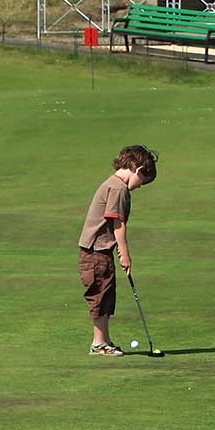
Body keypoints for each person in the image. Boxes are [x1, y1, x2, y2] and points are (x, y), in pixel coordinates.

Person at [77, 144, 159, 356]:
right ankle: (98, 344)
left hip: (99, 252)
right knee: (99, 296)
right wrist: (125, 254)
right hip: (95, 252)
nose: (139, 187)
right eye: (142, 181)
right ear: (137, 169)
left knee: (106, 296)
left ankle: (103, 341)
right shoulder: (118, 189)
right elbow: (118, 224)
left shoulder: (114, 185)